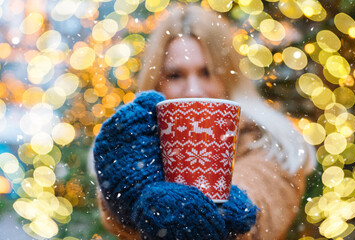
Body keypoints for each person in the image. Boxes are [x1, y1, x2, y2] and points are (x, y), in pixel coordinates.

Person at [95, 3, 316, 240]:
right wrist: (123, 206)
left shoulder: (270, 145)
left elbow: (261, 198)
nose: (193, 90)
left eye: (207, 72)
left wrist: (226, 217)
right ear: (157, 82)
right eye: (175, 75)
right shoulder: (137, 149)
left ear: (228, 78)